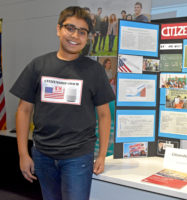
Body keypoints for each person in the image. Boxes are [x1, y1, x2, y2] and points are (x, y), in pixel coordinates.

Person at [10, 6, 115, 200]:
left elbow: (104, 114)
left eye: (82, 32)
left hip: (78, 157)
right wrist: (23, 154)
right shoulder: (38, 66)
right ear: (58, 29)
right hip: (43, 155)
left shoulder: (95, 71)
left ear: (87, 38)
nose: (75, 35)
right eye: (70, 28)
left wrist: (101, 155)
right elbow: (24, 111)